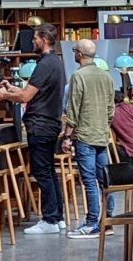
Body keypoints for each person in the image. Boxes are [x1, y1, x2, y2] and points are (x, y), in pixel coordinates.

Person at [9, 35, 68, 234]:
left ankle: (50, 219)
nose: (31, 41)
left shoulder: (43, 65)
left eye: (34, 38)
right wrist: (14, 90)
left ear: (44, 39)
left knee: (42, 172)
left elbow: (26, 96)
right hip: (51, 123)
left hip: (40, 125)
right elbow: (35, 92)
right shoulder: (57, 62)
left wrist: (6, 95)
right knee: (50, 172)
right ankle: (58, 217)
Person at [63, 36, 117, 236]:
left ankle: (92, 223)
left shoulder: (79, 76)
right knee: (105, 180)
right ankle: (108, 220)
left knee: (89, 181)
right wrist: (103, 125)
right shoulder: (107, 77)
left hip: (85, 136)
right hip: (102, 135)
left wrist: (67, 136)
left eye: (74, 51)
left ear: (79, 54)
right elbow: (111, 110)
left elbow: (73, 108)